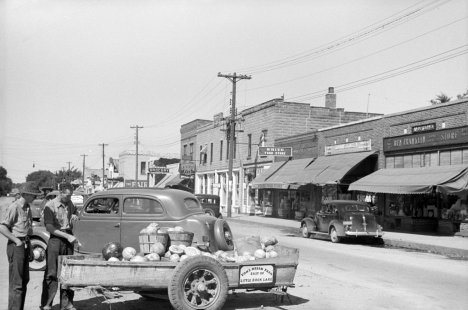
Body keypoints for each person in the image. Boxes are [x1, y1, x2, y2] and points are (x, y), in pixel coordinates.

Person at [0, 181, 41, 310]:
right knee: (16, 284)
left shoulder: (27, 207)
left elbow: (27, 231)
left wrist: (29, 247)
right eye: (34, 195)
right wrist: (16, 241)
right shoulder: (14, 207)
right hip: (16, 245)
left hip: (24, 244)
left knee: (24, 281)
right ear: (26, 194)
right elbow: (2, 227)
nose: (35, 197)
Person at [40, 182, 79, 310]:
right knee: (51, 273)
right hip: (56, 240)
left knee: (68, 272)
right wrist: (67, 236)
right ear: (60, 193)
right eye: (67, 196)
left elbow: (75, 212)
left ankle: (66, 304)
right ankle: (47, 304)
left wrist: (75, 216)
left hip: (68, 239)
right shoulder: (50, 206)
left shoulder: (70, 203)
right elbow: (50, 227)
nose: (69, 198)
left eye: (71, 196)